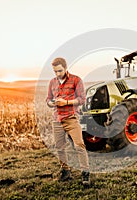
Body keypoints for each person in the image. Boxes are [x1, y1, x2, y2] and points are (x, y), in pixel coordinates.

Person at [46, 57, 90, 186]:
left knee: (79, 145)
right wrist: (51, 103)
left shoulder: (76, 80)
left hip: (71, 118)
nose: (58, 74)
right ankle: (65, 171)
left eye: (60, 71)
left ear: (65, 68)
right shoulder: (52, 82)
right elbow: (48, 99)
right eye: (55, 71)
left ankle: (85, 173)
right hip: (57, 119)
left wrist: (66, 102)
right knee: (59, 148)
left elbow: (82, 99)